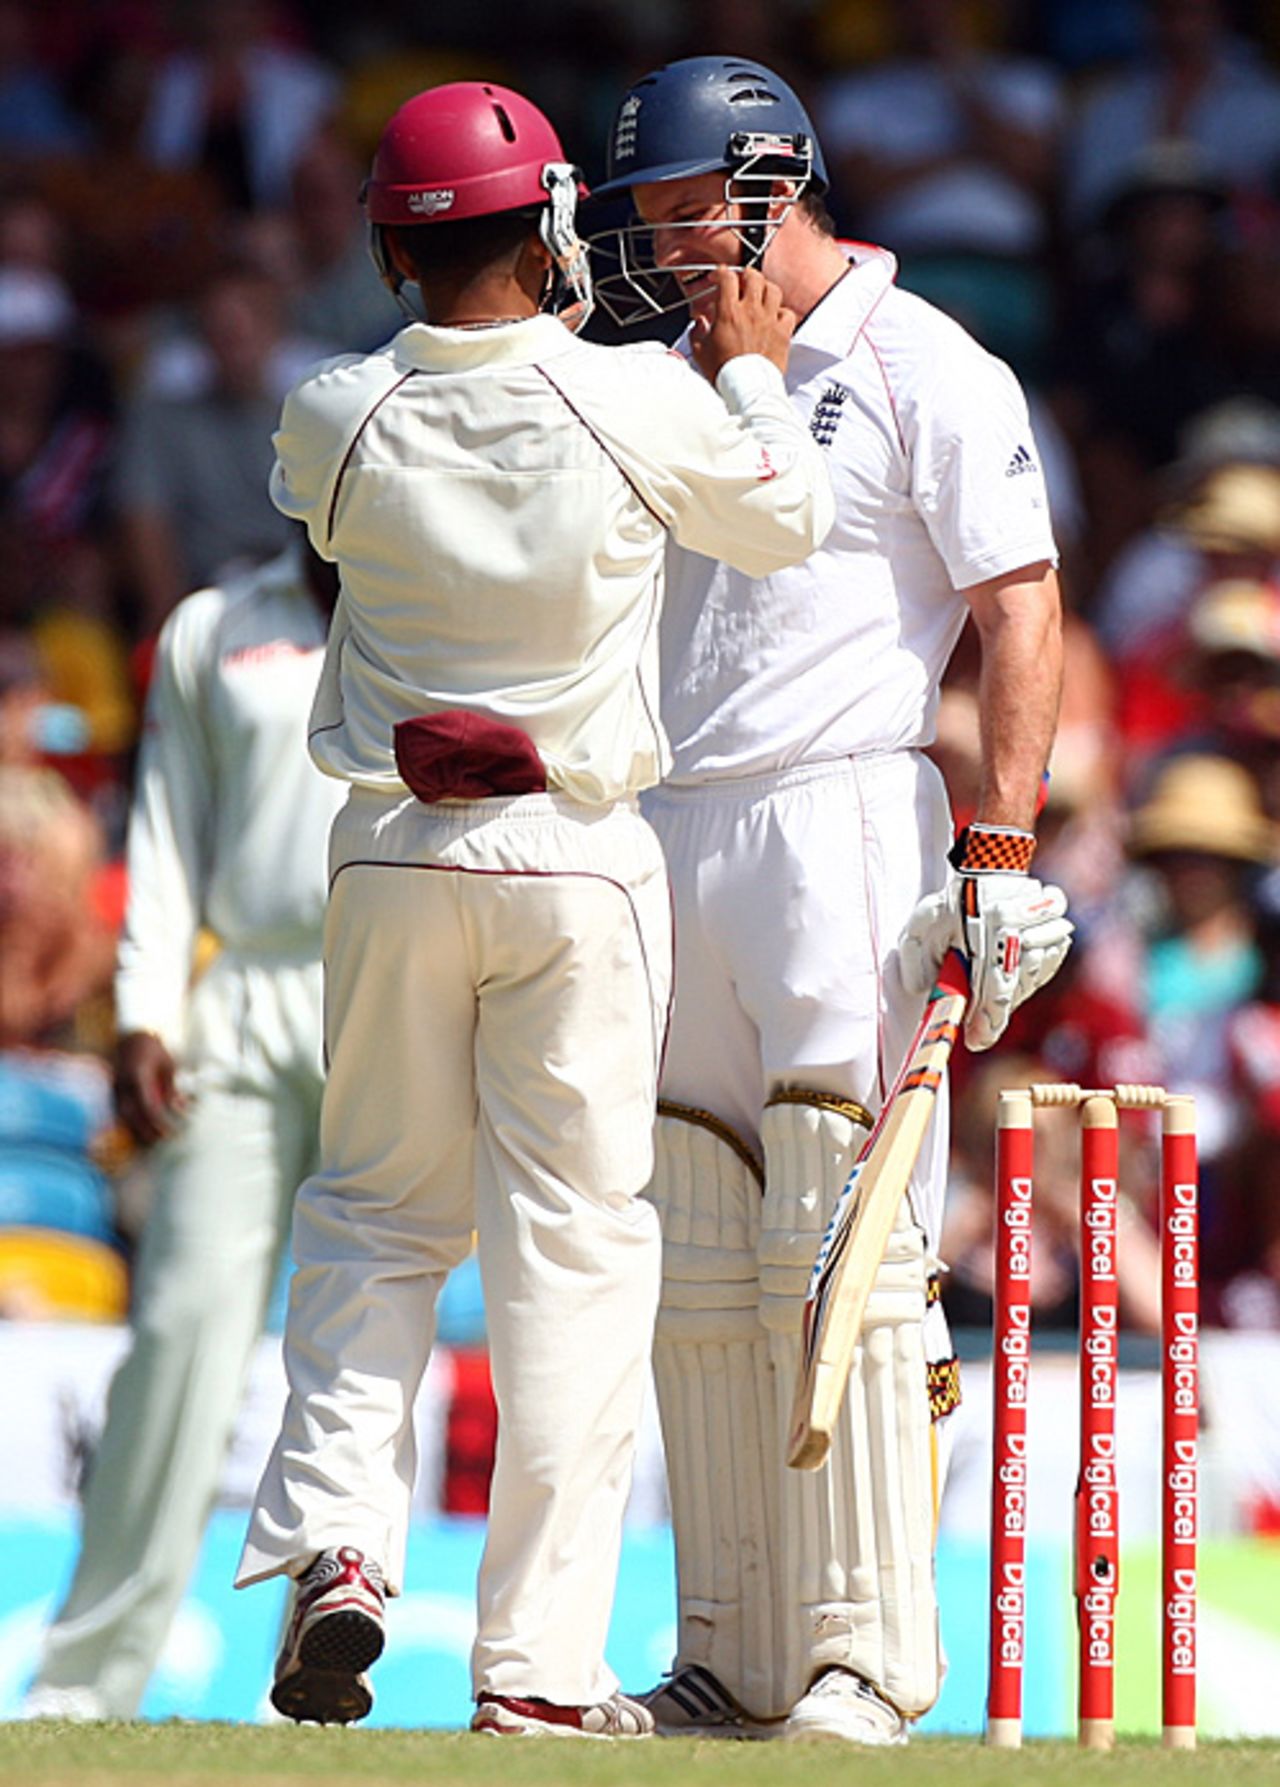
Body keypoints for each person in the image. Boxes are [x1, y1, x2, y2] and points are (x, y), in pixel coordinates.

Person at [232, 80, 834, 1741]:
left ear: (384, 240)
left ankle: (343, 1540)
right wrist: (756, 364)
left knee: (369, 1219)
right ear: (557, 222)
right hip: (574, 860)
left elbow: (335, 497)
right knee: (573, 1255)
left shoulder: (328, 410)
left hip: (391, 858)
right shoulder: (632, 396)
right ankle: (538, 1671)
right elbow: (784, 517)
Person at [588, 55, 1071, 1744]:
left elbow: (1021, 610)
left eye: (674, 207)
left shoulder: (927, 361)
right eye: (635, 215)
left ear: (770, 185)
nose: (655, 244)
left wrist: (998, 858)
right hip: (674, 827)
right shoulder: (663, 377)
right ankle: (727, 1649)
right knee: (702, 1248)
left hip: (845, 813)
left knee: (841, 1241)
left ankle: (870, 1657)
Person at [22, 535, 344, 1720]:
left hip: (396, 989)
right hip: (242, 994)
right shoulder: (219, 623)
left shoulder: (444, 600)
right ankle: (90, 1673)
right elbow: (163, 828)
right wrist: (147, 1010)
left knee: (366, 1341)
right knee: (177, 1334)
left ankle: (314, 1679)